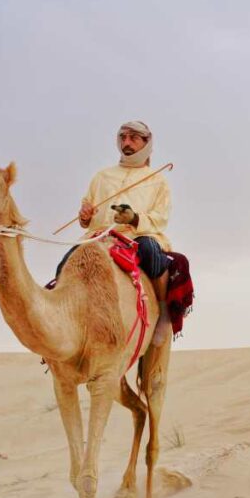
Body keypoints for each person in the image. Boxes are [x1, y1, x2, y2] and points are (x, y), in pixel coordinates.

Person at [78, 120, 173, 344]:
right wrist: (85, 216)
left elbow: (161, 218)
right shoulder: (101, 176)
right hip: (100, 237)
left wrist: (134, 218)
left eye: (133, 138)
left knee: (151, 251)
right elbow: (87, 211)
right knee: (68, 261)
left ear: (146, 143)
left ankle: (162, 313)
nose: (126, 142)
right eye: (123, 137)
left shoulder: (158, 180)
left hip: (137, 236)